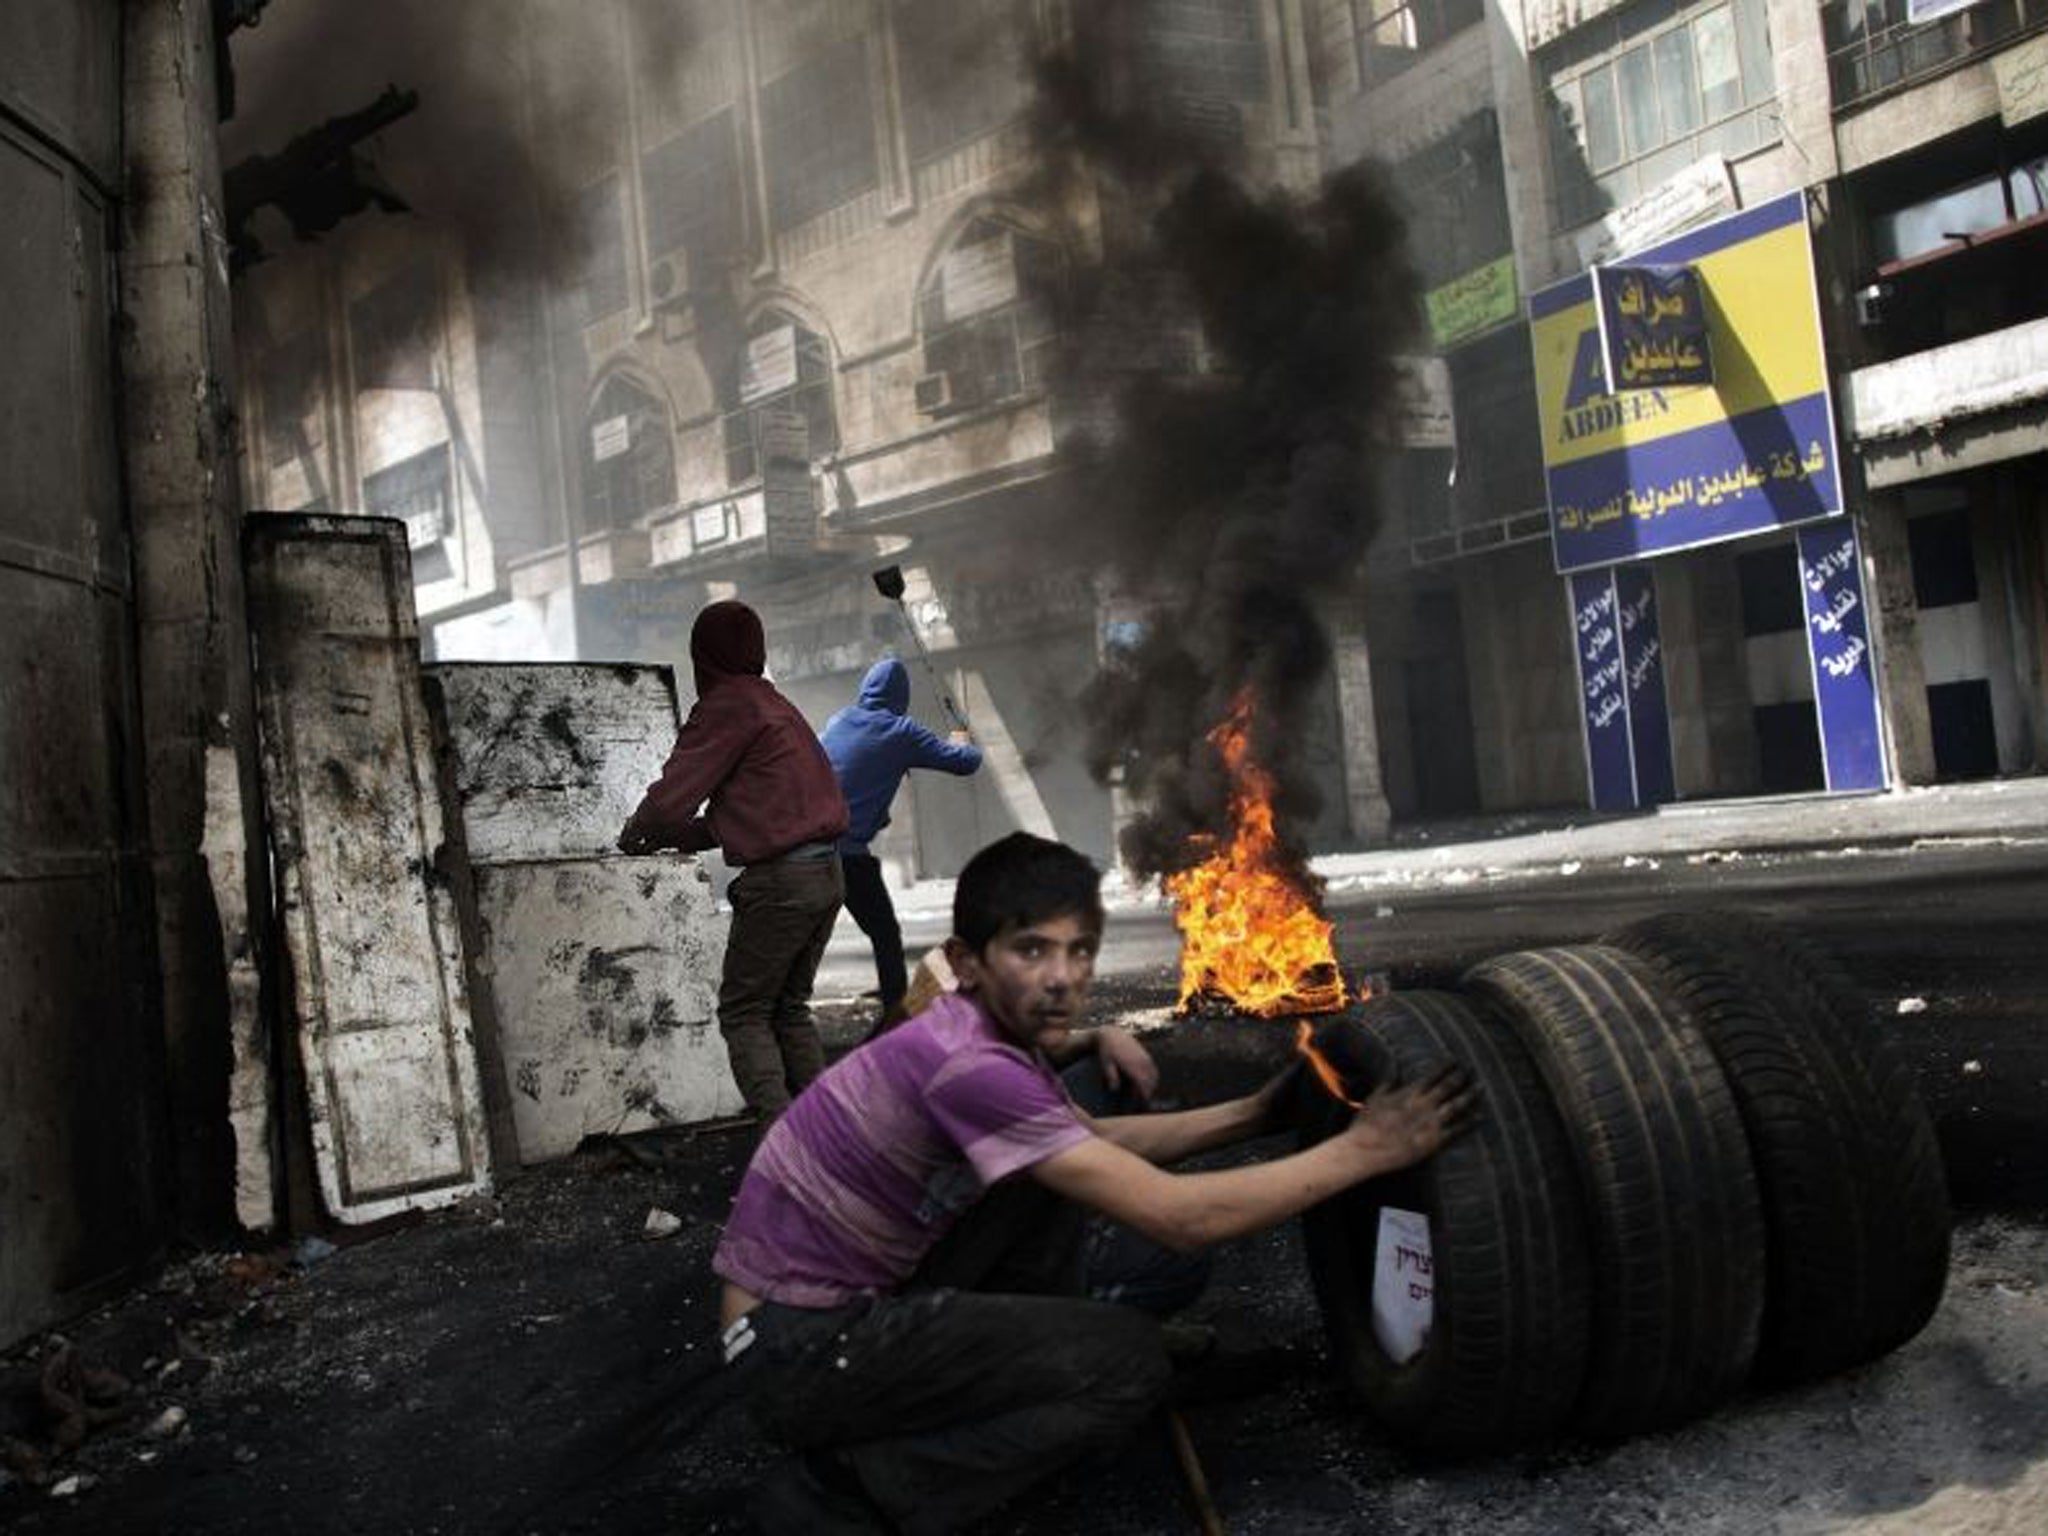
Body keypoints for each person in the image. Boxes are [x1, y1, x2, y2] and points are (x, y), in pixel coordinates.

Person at [713, 831, 1475, 1534]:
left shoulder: (974, 1024)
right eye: (1033, 951)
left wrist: (1254, 1111)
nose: (1062, 980)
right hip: (798, 1350)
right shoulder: (970, 1065)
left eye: (1080, 952)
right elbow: (1182, 1216)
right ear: (970, 959)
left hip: (824, 1302)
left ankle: (1034, 1347)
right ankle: (850, 1491)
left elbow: (1089, 1143)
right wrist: (1367, 1150)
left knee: (1082, 1204)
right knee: (1127, 1364)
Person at [617, 599, 849, 1121]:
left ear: (704, 657)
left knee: (745, 1013)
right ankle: (830, 1136)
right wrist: (675, 837)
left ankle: (785, 1149)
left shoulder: (729, 705)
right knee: (788, 1009)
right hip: (826, 872)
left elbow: (670, 798)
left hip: (783, 883)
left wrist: (637, 832)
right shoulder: (775, 705)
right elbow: (748, 815)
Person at [819, 656, 984, 1033]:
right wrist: (962, 739)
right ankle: (896, 1011)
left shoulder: (840, 720)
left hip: (810, 849)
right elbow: (965, 763)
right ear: (901, 697)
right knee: (885, 932)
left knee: (810, 934)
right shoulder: (900, 731)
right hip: (849, 856)